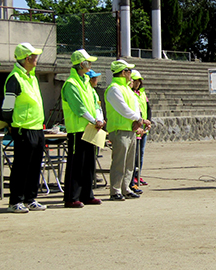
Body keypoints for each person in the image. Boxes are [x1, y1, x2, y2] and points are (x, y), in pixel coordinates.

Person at [2, 43, 46, 213]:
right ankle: (15, 201)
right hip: (23, 129)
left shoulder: (32, 77)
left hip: (37, 128)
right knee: (21, 166)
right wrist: (12, 125)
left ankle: (30, 199)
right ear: (27, 58)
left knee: (35, 165)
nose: (36, 59)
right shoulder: (14, 78)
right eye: (34, 56)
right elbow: (7, 108)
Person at [61, 50, 105, 208]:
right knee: (76, 164)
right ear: (81, 64)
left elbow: (95, 103)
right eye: (88, 62)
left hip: (91, 128)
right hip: (77, 130)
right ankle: (72, 197)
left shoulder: (86, 82)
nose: (90, 65)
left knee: (89, 163)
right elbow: (79, 108)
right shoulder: (71, 84)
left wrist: (98, 118)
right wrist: (95, 120)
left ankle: (87, 194)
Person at [105, 60, 151, 201]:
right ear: (123, 72)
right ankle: (115, 190)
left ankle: (126, 188)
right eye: (129, 71)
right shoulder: (114, 88)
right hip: (119, 129)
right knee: (119, 161)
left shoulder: (126, 89)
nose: (131, 74)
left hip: (130, 129)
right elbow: (123, 108)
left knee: (130, 162)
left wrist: (138, 121)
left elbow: (135, 107)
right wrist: (139, 119)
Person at [129, 70, 151, 194]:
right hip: (136, 127)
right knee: (134, 154)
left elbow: (148, 108)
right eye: (135, 80)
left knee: (140, 153)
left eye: (139, 81)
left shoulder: (142, 93)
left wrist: (149, 122)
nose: (137, 83)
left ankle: (138, 174)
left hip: (144, 127)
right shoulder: (130, 94)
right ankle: (132, 177)